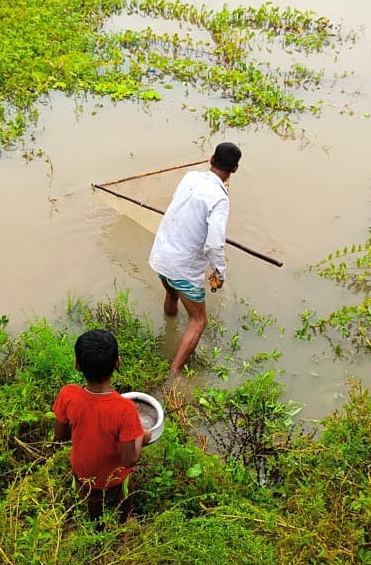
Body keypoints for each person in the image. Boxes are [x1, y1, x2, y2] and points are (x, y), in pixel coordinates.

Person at [148, 141, 241, 375]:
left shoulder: (190, 177)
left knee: (171, 293)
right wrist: (220, 272)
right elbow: (214, 244)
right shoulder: (220, 199)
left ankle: (169, 330)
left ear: (211, 159)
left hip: (161, 254)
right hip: (183, 266)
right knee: (199, 320)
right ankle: (174, 372)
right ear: (235, 169)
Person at [52, 329, 152, 522]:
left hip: (82, 473)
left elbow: (60, 435)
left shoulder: (68, 395)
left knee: (92, 503)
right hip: (114, 477)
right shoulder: (126, 409)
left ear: (77, 365)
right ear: (118, 363)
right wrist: (142, 436)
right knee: (126, 491)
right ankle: (124, 521)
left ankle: (96, 528)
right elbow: (129, 459)